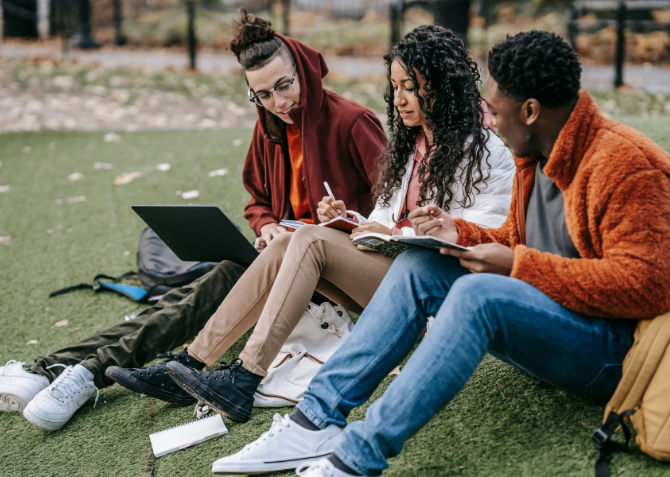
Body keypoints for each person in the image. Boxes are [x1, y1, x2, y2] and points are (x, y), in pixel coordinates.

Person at [209, 30, 670, 476]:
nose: (490, 116)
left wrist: (518, 266)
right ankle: (313, 422)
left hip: (615, 356)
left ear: (530, 110)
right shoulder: (538, 153)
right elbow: (516, 234)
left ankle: (355, 458)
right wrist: (460, 231)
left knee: (479, 296)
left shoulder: (625, 164)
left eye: (498, 108)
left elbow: (648, 287)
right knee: (420, 264)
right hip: (554, 322)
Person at [0, 11, 386, 431]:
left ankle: (83, 373)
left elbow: (390, 212)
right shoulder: (270, 130)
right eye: (263, 95)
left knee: (211, 287)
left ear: (304, 71)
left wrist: (344, 217)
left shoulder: (352, 122)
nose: (279, 102)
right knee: (182, 299)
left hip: (337, 275)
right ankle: (57, 368)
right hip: (283, 260)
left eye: (284, 85)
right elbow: (259, 202)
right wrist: (267, 225)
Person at [156, 24, 514, 427]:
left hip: (433, 287)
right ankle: (194, 360)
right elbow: (384, 215)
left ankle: (244, 376)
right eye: (394, 87)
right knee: (283, 243)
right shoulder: (411, 145)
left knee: (307, 238)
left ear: (440, 85)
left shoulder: (488, 151)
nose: (398, 99)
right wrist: (353, 222)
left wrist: (418, 231)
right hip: (391, 269)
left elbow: (493, 229)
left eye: (410, 87)